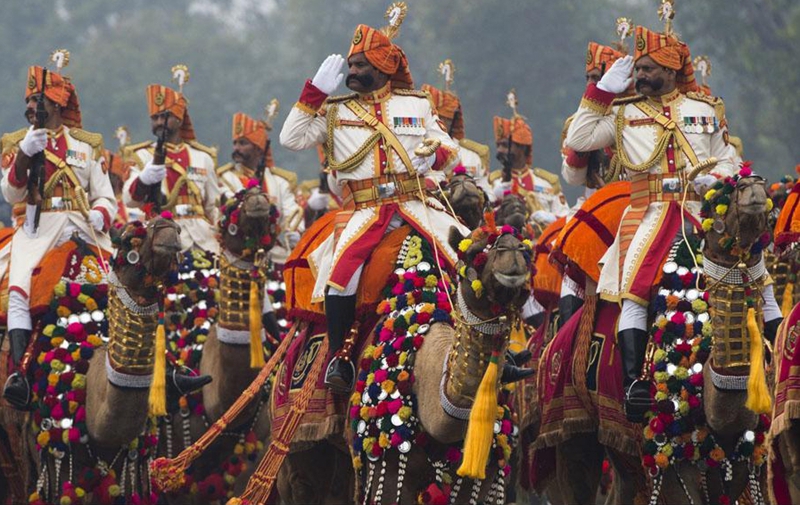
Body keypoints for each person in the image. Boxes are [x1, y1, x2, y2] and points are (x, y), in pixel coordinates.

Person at [564, 21, 755, 421]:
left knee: (751, 274)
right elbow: (578, 142)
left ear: (671, 70)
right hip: (644, 215)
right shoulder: (621, 112)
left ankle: (764, 361)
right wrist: (600, 92)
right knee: (635, 293)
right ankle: (635, 382)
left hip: (696, 213)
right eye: (640, 68)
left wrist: (716, 177)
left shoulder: (704, 110)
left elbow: (728, 159)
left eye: (650, 68)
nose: (642, 75)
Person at [280, 4, 467, 392]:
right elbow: (291, 139)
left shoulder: (416, 104)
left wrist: (434, 153)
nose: (351, 73)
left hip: (416, 205)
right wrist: (314, 92)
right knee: (340, 276)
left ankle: (490, 348)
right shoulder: (333, 111)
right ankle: (339, 360)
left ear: (383, 68)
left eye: (360, 65)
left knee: (468, 257)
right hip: (365, 211)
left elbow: (452, 152)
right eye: (350, 65)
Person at [0, 52, 116, 408]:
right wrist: (23, 154)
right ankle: (20, 373)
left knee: (124, 290)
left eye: (42, 100)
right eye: (32, 100)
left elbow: (106, 197)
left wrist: (99, 214)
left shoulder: (86, 145)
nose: (36, 106)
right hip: (37, 230)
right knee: (19, 290)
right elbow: (10, 193)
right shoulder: (15, 142)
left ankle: (158, 370)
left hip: (82, 229)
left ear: (58, 103)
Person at [122, 66, 220, 254]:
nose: (159, 123)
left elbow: (213, 206)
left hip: (203, 240)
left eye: (165, 117)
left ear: (180, 119)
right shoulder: (141, 156)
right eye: (155, 118)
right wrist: (144, 179)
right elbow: (129, 200)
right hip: (160, 240)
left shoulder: (203, 157)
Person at [217, 106, 304, 259]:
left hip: (275, 254)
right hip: (235, 255)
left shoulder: (280, 181)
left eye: (243, 143)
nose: (236, 148)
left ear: (258, 149)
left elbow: (292, 213)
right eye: (235, 143)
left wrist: (294, 232)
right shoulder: (225, 178)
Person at [490, 92, 569, 231]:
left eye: (505, 145)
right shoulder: (494, 183)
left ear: (522, 147)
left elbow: (567, 220)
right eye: (498, 145)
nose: (500, 150)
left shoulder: (548, 182)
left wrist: (551, 218)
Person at [421, 59, 493, 200]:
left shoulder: (473, 157)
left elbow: (489, 196)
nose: (441, 123)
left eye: (446, 119)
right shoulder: (417, 149)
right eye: (437, 118)